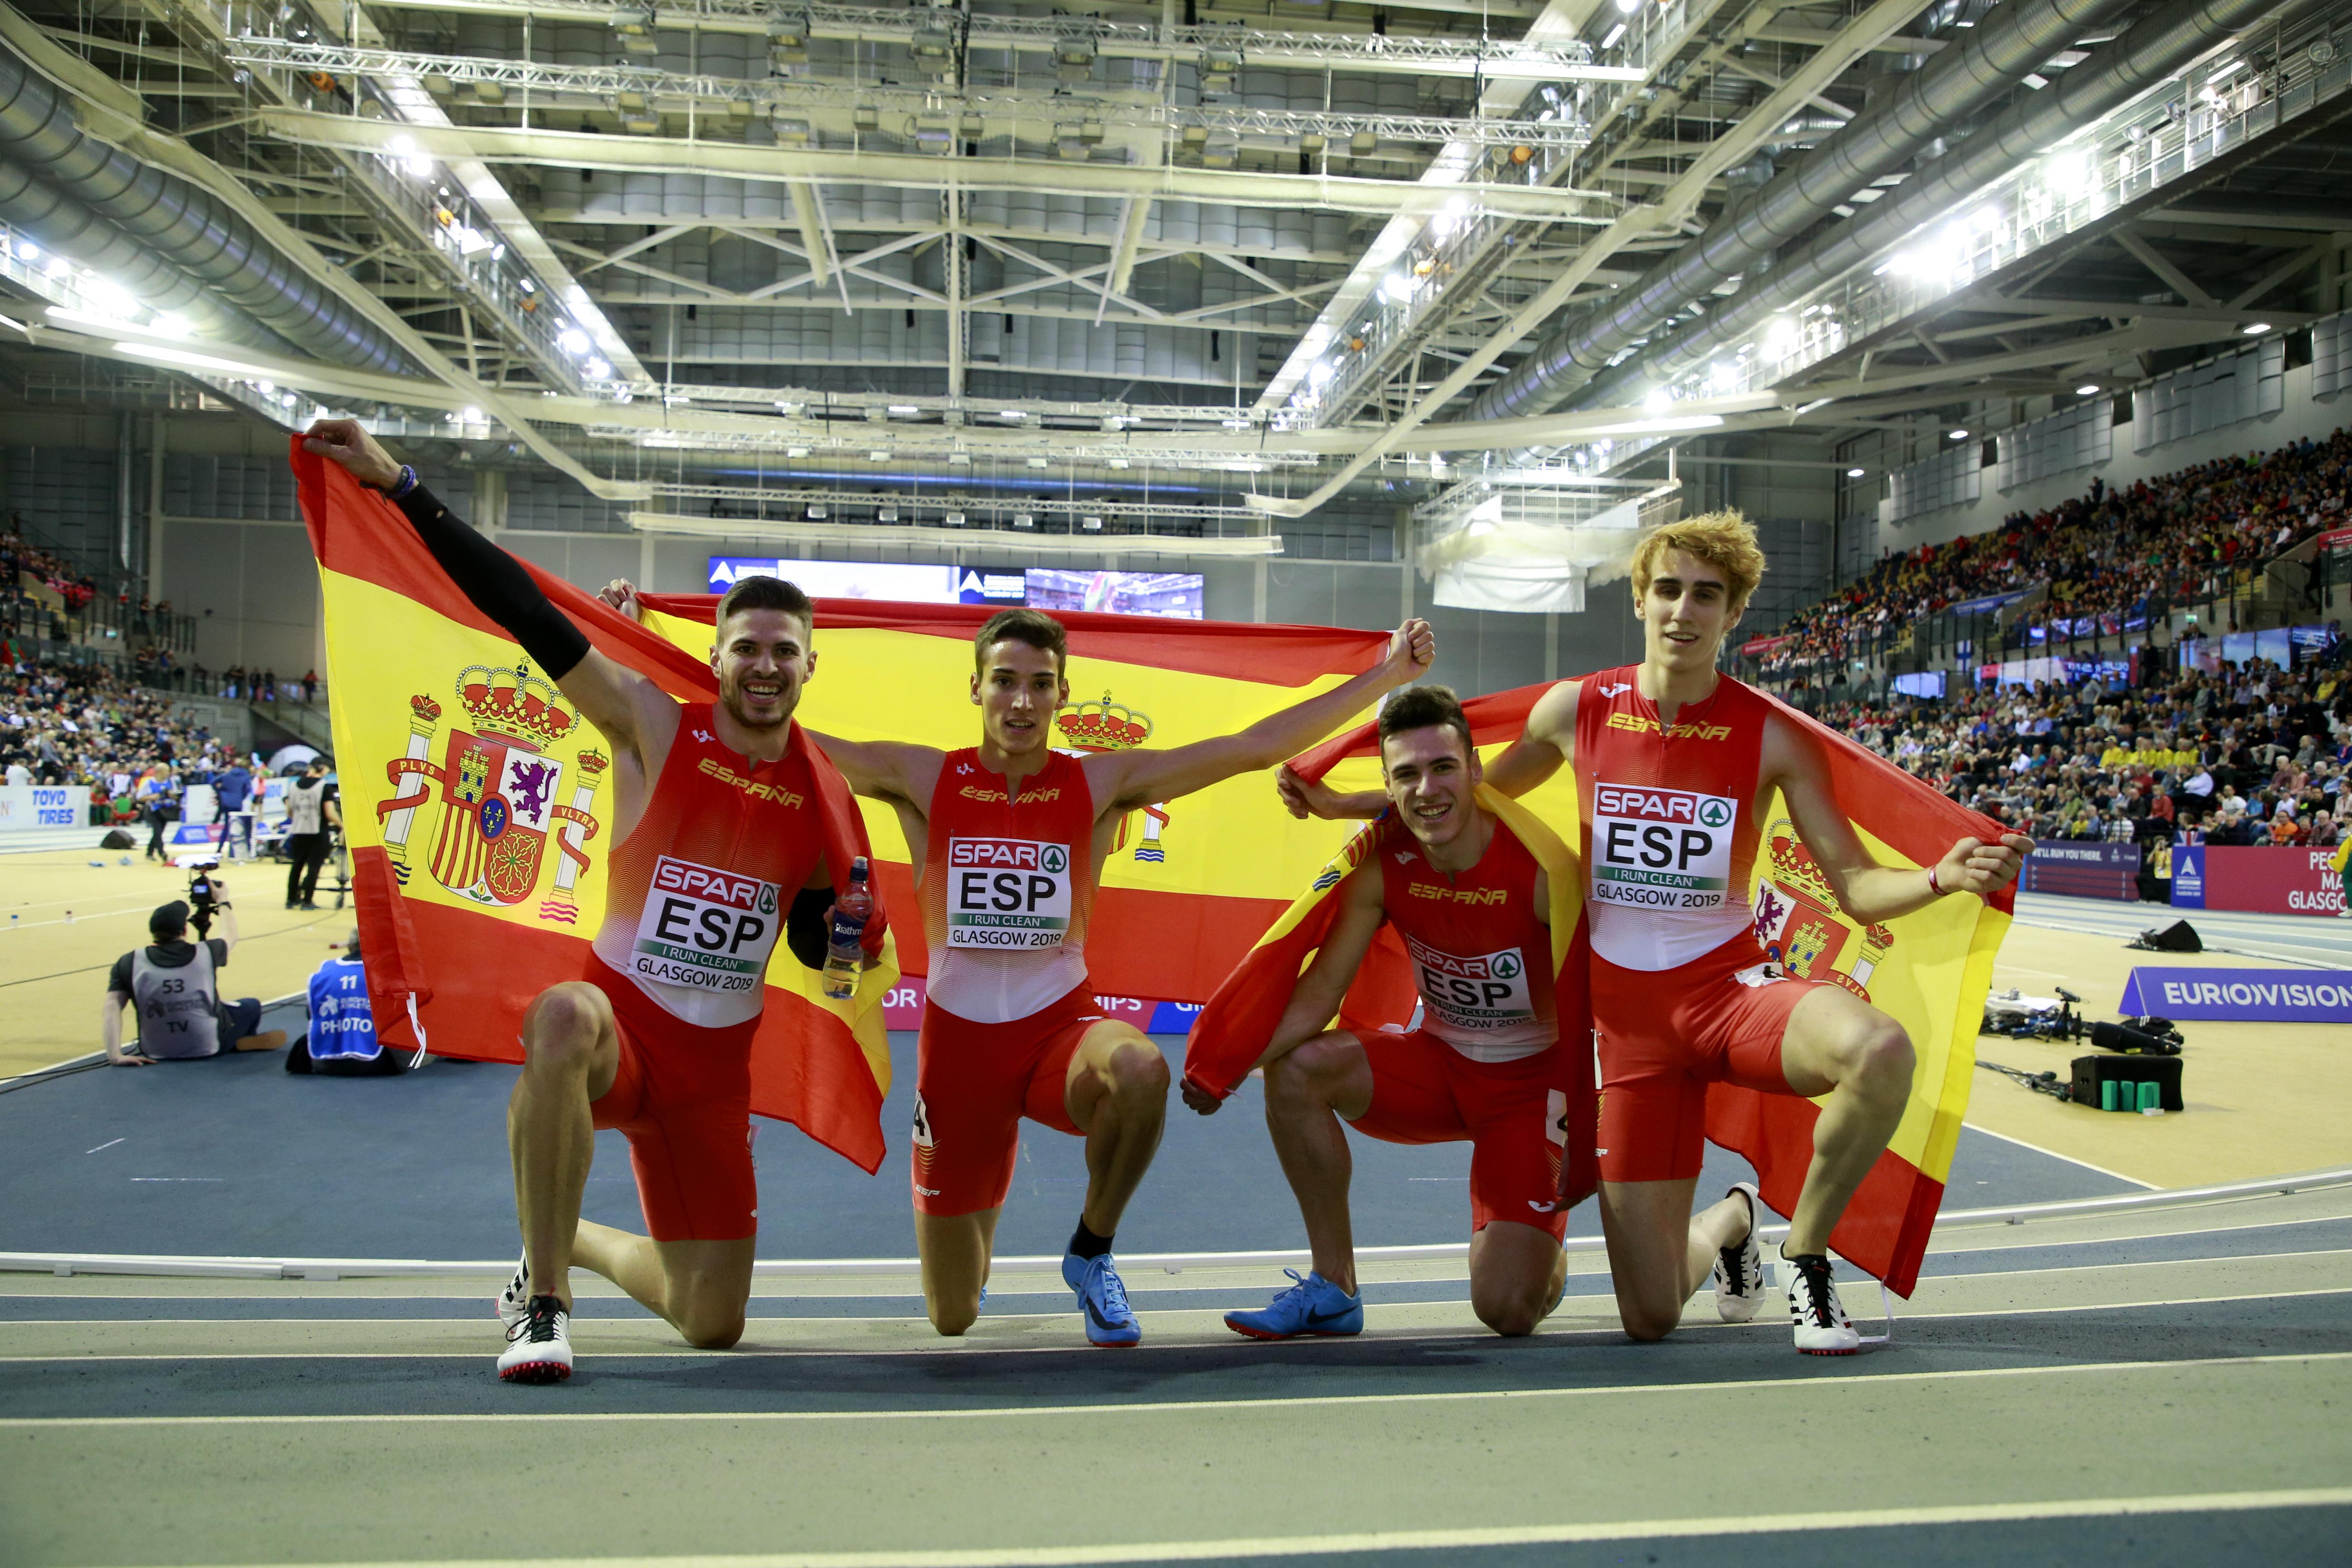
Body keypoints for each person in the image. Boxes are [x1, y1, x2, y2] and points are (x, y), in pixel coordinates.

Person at [598, 573, 1434, 1345]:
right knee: (953, 1315)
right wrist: (627, 644)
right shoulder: (923, 778)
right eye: (1004, 680)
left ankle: (1091, 1250)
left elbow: (1254, 746)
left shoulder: (1099, 783)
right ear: (976, 688)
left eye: (1039, 684)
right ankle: (981, 1196)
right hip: (957, 1061)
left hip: (1057, 1034)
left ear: (1062, 694)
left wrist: (1385, 676)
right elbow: (758, 716)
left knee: (1139, 1069)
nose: (1021, 700)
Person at [1284, 513, 2032, 1354]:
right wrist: (1344, 803)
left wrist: (1941, 877)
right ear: (1639, 599)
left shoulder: (1772, 736)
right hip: (1625, 1033)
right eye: (1667, 590)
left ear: (1732, 612)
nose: (1683, 611)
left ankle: (1809, 1254)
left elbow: (1855, 886)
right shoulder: (1577, 708)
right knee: (1648, 1317)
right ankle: (1730, 1221)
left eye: (1705, 596)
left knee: (1879, 1050)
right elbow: (1463, 796)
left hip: (1726, 996)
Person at [304, 417, 872, 1386]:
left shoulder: (828, 803)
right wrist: (400, 485)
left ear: (811, 665)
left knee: (713, 1325)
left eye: (785, 651)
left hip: (711, 1080)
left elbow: (823, 952)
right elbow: (527, 611)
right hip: (621, 1035)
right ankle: (542, 1311)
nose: (766, 666)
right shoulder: (651, 725)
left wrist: (844, 943)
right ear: (722, 657)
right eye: (747, 649)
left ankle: (560, 1244)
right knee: (562, 1015)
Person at [1186, 686, 1572, 1340]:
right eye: (1407, 775)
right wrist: (1231, 1066)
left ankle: (1560, 1249)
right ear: (1391, 785)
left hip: (1533, 1094)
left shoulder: (1541, 873)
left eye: (1443, 767)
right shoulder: (1382, 865)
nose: (1427, 788)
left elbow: (1609, 1007)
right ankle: (1334, 1286)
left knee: (1508, 1308)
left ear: (1476, 770)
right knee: (1299, 1067)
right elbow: (1322, 993)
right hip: (1441, 1067)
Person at [103, 888, 286, 1065]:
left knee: (219, 1006)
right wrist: (223, 901)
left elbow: (112, 1007)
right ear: (184, 930)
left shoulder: (129, 962)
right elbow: (231, 934)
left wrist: (115, 1056)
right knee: (251, 1006)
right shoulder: (207, 952)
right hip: (208, 1045)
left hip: (155, 1049)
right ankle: (238, 1040)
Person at [286, 930, 410, 1076]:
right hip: (378, 1063)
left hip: (324, 1063)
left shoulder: (325, 972)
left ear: (350, 947)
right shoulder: (388, 973)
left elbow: (311, 1015)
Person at [282, 758, 340, 909]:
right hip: (318, 832)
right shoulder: (324, 787)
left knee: (297, 866)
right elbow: (330, 813)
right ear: (322, 768)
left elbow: (290, 811)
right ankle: (307, 901)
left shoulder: (294, 785)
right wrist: (342, 825)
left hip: (299, 831)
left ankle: (291, 899)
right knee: (314, 867)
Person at [214, 750, 254, 859]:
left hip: (226, 803)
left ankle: (219, 850)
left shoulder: (228, 774)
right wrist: (241, 796)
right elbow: (248, 789)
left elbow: (213, 782)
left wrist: (220, 792)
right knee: (239, 827)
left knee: (227, 826)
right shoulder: (246, 776)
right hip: (237, 804)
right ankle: (238, 851)